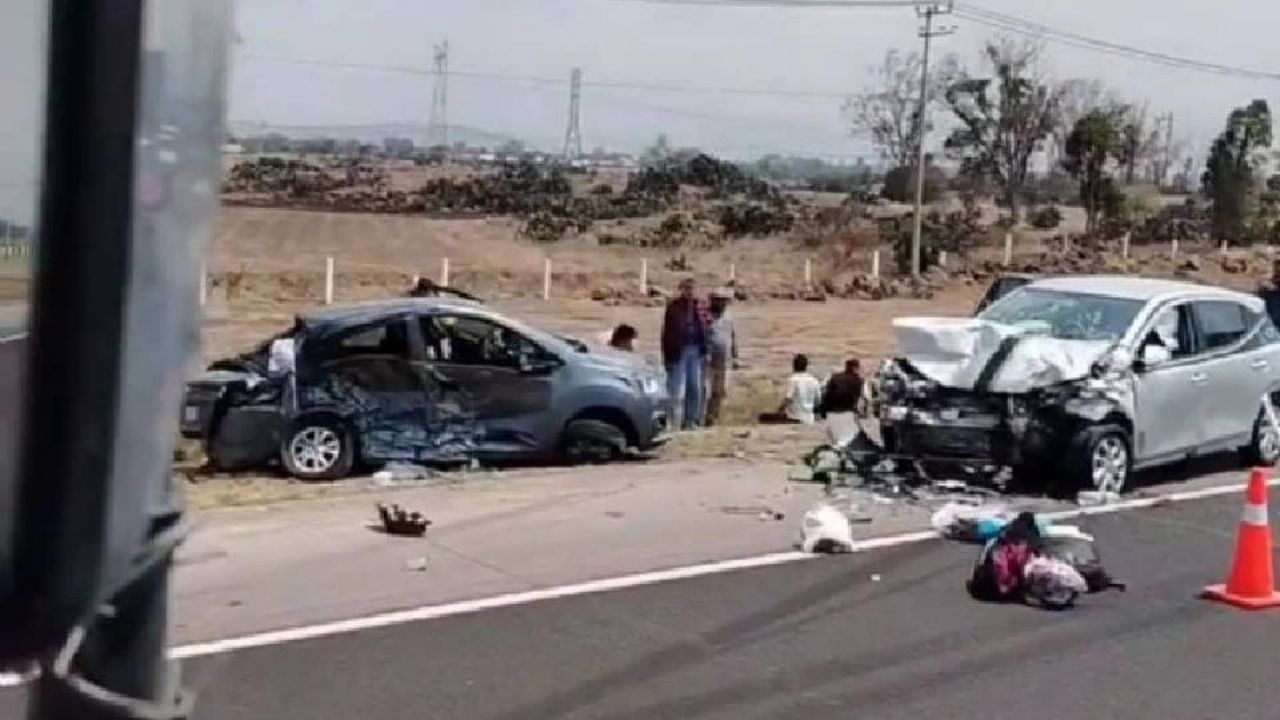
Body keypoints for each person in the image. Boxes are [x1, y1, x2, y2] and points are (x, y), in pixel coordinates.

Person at [660, 277, 709, 429]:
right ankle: (671, 422)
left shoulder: (700, 307)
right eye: (686, 288)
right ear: (681, 290)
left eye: (692, 289)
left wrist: (705, 350)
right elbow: (666, 333)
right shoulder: (674, 307)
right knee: (676, 389)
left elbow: (706, 328)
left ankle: (690, 421)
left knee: (694, 388)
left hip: (695, 350)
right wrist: (668, 356)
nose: (690, 292)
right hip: (678, 351)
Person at [703, 288, 738, 427]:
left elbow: (733, 337)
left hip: (724, 360)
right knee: (706, 390)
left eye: (724, 300)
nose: (722, 303)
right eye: (719, 300)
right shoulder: (706, 316)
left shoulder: (728, 317)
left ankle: (713, 418)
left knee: (720, 391)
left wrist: (735, 357)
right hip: (709, 360)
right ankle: (702, 417)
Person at [758, 353, 822, 425]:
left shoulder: (793, 379)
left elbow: (788, 399)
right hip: (810, 419)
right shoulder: (814, 380)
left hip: (795, 418)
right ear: (806, 366)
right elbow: (818, 401)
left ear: (794, 366)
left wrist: (779, 411)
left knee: (762, 417)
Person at [818, 358, 865, 446]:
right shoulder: (859, 381)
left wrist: (823, 412)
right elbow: (862, 401)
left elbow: (826, 397)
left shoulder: (835, 378)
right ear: (855, 368)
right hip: (849, 414)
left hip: (831, 414)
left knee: (836, 442)